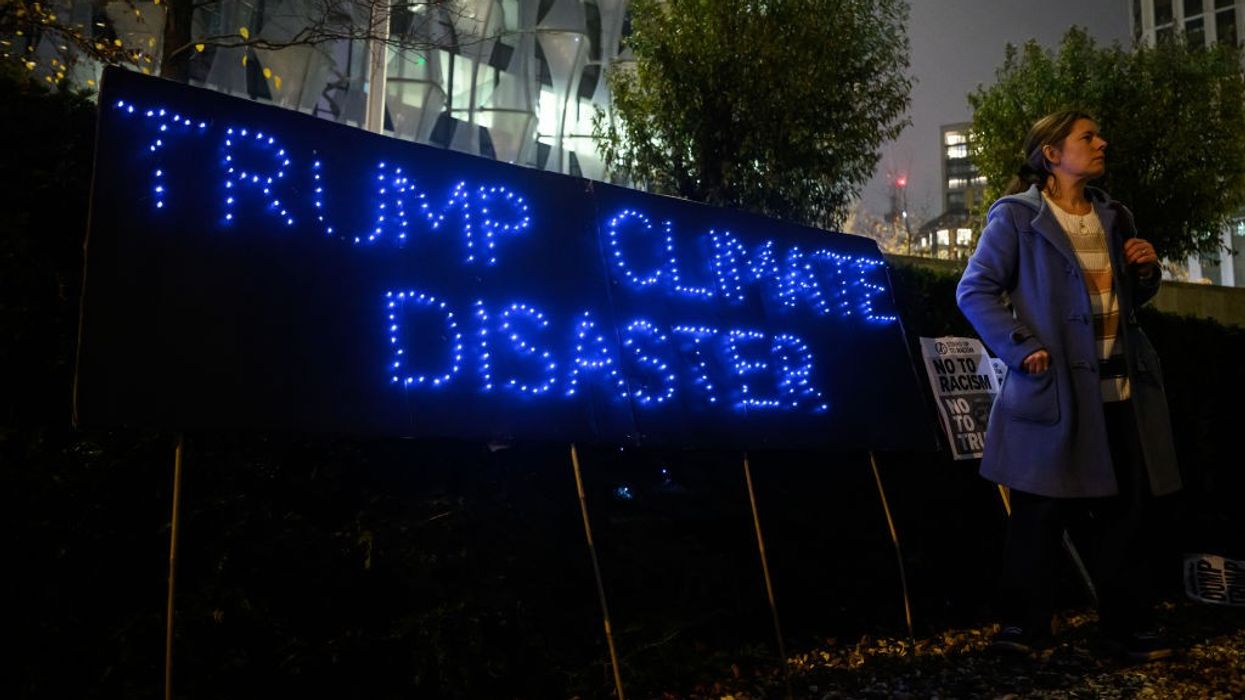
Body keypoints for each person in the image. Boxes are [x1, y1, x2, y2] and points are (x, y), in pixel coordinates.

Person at [956, 110, 1182, 660]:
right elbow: (974, 290)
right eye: (1088, 137)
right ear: (1052, 154)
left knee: (1125, 514)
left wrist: (1145, 270)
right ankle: (1023, 629)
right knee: (1038, 512)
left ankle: (1126, 628)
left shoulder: (1115, 215)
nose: (1102, 142)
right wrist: (1020, 345)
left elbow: (1128, 300)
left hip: (1121, 393)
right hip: (1053, 393)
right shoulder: (1016, 217)